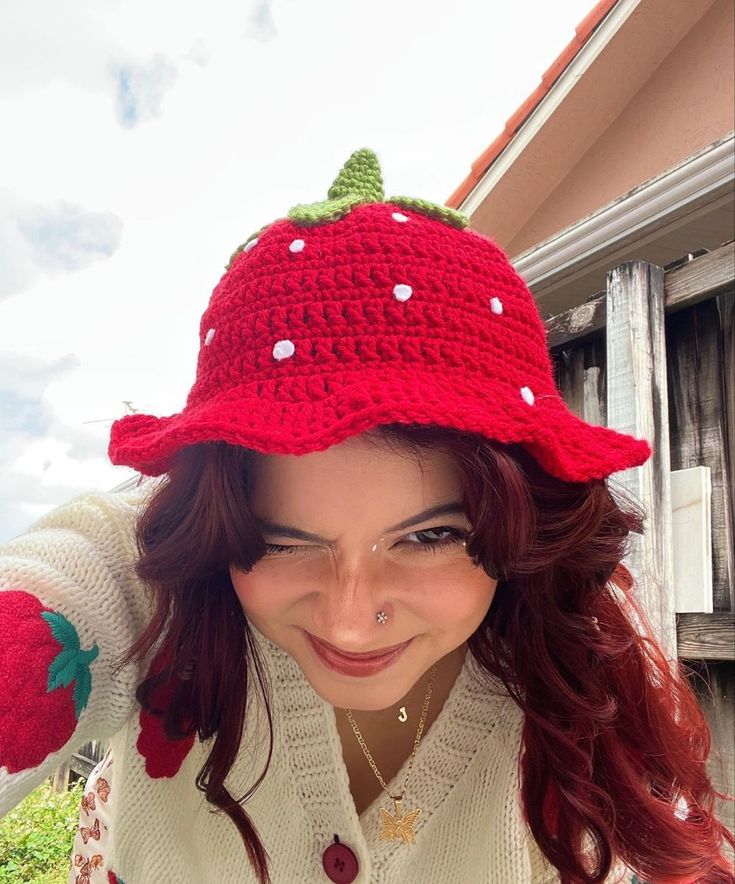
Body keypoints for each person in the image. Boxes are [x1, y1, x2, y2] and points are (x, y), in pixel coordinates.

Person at [0, 149, 732, 884]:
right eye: (279, 542)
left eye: (430, 536)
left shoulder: (571, 666)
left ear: (520, 521)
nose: (349, 623)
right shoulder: (152, 577)